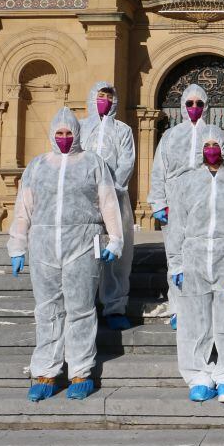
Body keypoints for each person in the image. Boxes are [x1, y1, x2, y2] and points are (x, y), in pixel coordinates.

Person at [7, 107, 124, 402]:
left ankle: (81, 372)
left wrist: (115, 240)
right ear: (51, 134)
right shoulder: (37, 166)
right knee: (47, 310)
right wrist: (17, 245)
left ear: (77, 133)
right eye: (59, 133)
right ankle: (46, 372)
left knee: (81, 309)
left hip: (84, 243)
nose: (64, 137)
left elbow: (109, 203)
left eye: (68, 132)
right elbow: (24, 208)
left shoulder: (92, 163)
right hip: (44, 244)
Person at [168, 126, 224, 403]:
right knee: (194, 321)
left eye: (215, 144)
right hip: (194, 256)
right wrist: (177, 264)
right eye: (206, 145)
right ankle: (198, 374)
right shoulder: (186, 183)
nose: (211, 150)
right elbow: (176, 227)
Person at [148, 83, 209, 330]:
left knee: (202, 258)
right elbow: (158, 170)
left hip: (204, 204)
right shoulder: (170, 136)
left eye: (199, 104)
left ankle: (199, 307)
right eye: (190, 103)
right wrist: (158, 202)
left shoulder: (213, 133)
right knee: (176, 258)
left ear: (206, 107)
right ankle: (177, 309)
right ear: (183, 106)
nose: (194, 108)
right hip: (175, 205)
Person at [80, 81, 136, 331]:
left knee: (116, 254)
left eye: (109, 97)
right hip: (84, 201)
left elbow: (127, 161)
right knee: (84, 251)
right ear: (92, 97)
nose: (105, 100)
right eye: (101, 95)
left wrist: (110, 188)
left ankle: (114, 307)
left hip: (115, 197)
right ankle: (84, 304)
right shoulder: (80, 128)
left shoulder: (123, 130)